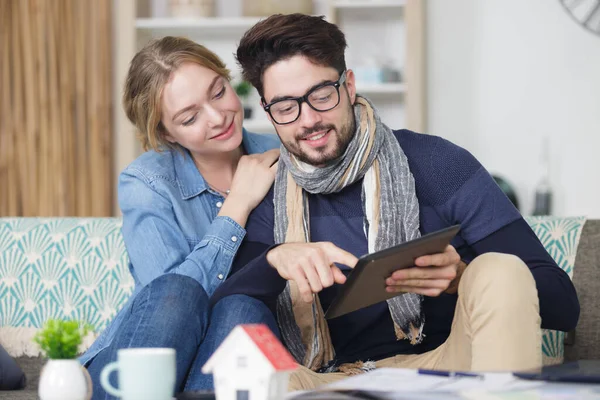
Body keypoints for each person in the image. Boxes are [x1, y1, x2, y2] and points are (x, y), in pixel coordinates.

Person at [211, 13, 580, 390]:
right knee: (246, 351)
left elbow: (564, 306)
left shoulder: (439, 164)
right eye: (286, 107)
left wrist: (462, 277)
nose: (308, 120)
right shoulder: (269, 189)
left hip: (446, 369)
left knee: (498, 269)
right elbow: (224, 312)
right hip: (326, 383)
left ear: (349, 86)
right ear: (267, 110)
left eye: (321, 96)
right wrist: (275, 260)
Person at [80, 36, 281, 398]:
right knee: (178, 287)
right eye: (190, 117)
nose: (218, 118)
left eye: (219, 92)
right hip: (143, 362)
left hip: (232, 353)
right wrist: (238, 206)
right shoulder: (146, 182)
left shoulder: (281, 153)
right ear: (164, 134)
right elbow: (171, 306)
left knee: (242, 306)